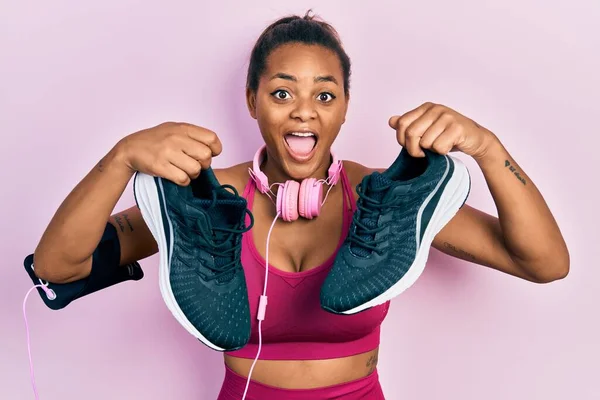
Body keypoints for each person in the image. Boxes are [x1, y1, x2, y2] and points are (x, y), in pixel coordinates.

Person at [31, 11, 570, 399]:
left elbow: (543, 262)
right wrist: (121, 157)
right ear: (253, 101)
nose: (304, 113)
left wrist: (488, 147)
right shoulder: (202, 198)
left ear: (344, 110)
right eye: (282, 93)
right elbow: (58, 267)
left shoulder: (391, 201)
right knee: (190, 210)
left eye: (325, 95)